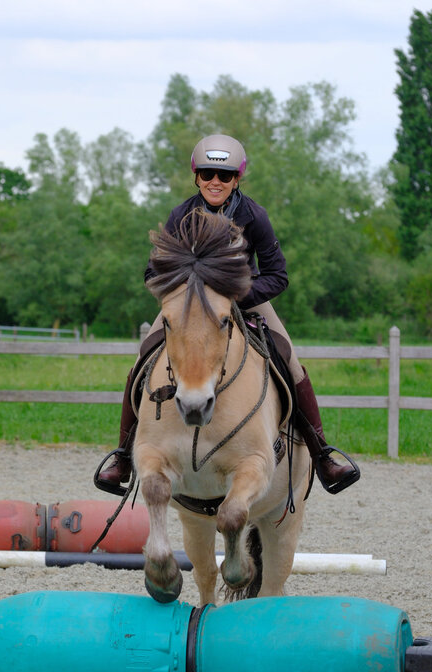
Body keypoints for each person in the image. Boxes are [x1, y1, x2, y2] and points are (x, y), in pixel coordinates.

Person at [97, 133, 359, 494]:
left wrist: (237, 296)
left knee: (289, 358)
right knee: (143, 356)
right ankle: (122, 458)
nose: (215, 182)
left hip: (245, 299)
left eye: (224, 176)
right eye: (207, 174)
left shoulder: (254, 216)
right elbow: (151, 272)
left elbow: (278, 275)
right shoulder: (180, 215)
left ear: (237, 179)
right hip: (189, 306)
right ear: (196, 177)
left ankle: (323, 455)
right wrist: (182, 293)